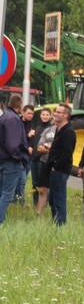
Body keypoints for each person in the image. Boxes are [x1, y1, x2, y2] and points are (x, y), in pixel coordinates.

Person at [0, 94, 29, 225]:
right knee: (7, 194)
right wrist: (20, 156)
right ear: (19, 104)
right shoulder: (13, 119)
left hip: (3, 159)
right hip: (11, 161)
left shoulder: (4, 116)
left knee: (2, 192)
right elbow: (12, 144)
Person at [46, 104, 77, 226]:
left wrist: (55, 166)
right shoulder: (59, 129)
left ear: (66, 115)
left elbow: (67, 154)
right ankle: (55, 222)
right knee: (52, 199)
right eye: (56, 112)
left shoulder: (69, 132)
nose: (55, 114)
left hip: (60, 170)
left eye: (59, 112)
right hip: (54, 169)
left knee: (59, 199)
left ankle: (60, 225)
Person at [31, 108, 55, 214]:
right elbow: (35, 143)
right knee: (35, 182)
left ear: (50, 116)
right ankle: (35, 204)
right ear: (40, 116)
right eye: (43, 114)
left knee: (44, 184)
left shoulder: (51, 129)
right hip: (34, 158)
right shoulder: (38, 127)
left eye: (47, 114)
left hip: (44, 160)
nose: (44, 116)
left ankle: (44, 205)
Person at [15, 104, 34, 204]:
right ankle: (20, 201)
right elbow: (17, 140)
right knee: (21, 180)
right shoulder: (17, 122)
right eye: (29, 113)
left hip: (29, 157)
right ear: (23, 112)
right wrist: (28, 136)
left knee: (24, 179)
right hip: (20, 155)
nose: (31, 115)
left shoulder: (33, 124)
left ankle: (16, 198)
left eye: (32, 113)